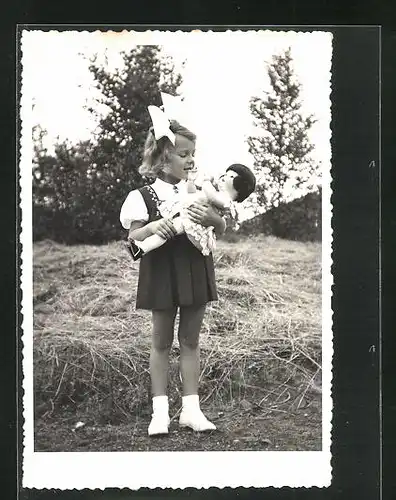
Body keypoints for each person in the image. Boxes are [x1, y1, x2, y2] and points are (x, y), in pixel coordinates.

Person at [120, 118, 226, 436]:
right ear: (163, 156)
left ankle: (191, 412)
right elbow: (132, 236)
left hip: (195, 267)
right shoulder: (143, 195)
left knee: (191, 341)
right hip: (162, 270)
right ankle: (160, 414)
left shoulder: (201, 191)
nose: (190, 160)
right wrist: (153, 227)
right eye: (183, 154)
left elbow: (221, 227)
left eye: (193, 153)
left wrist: (211, 218)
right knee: (162, 341)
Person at [125, 163, 256, 261]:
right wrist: (192, 181)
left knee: (167, 231)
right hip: (187, 217)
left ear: (239, 187)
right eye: (226, 174)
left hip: (192, 223)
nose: (224, 177)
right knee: (166, 230)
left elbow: (211, 197)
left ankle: (142, 248)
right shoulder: (140, 196)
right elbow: (192, 193)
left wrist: (205, 181)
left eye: (231, 176)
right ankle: (140, 248)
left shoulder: (225, 199)